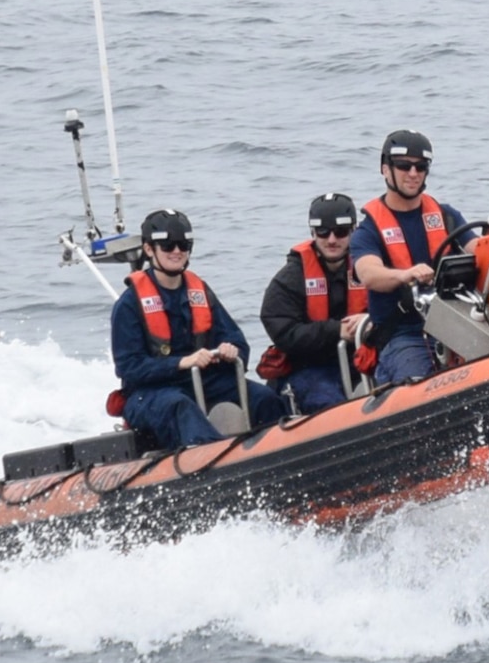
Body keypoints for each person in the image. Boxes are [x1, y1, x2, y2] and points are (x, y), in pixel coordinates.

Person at [111, 208, 288, 449]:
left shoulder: (200, 292)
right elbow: (129, 368)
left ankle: (278, 453)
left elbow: (237, 340)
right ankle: (215, 465)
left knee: (264, 399)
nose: (177, 251)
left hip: (205, 381)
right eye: (168, 245)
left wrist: (231, 350)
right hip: (152, 392)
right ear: (149, 249)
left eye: (183, 245)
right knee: (179, 406)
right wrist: (180, 363)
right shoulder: (129, 305)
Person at [351, 129, 466, 383]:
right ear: (385, 169)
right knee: (417, 379)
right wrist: (405, 275)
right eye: (404, 166)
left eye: (421, 166)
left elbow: (477, 248)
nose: (413, 173)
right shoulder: (368, 231)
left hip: (458, 325)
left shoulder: (447, 217)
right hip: (404, 336)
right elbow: (369, 274)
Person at [259, 192, 368, 413]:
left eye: (340, 232)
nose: (331, 239)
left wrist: (368, 321)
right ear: (313, 232)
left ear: (353, 231)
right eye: (323, 232)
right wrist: (336, 331)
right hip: (308, 369)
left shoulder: (370, 267)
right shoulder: (290, 278)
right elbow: (283, 332)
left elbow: (392, 308)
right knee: (331, 405)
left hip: (360, 361)